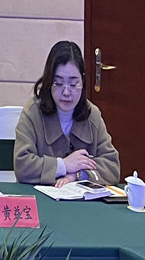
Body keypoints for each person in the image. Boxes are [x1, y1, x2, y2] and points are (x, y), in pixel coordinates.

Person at [14, 41, 120, 186]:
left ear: (83, 82)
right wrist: (64, 165)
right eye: (58, 83)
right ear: (49, 82)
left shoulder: (92, 114)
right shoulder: (33, 112)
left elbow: (112, 167)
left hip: (81, 199)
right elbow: (22, 166)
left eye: (73, 84)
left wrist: (78, 174)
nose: (66, 92)